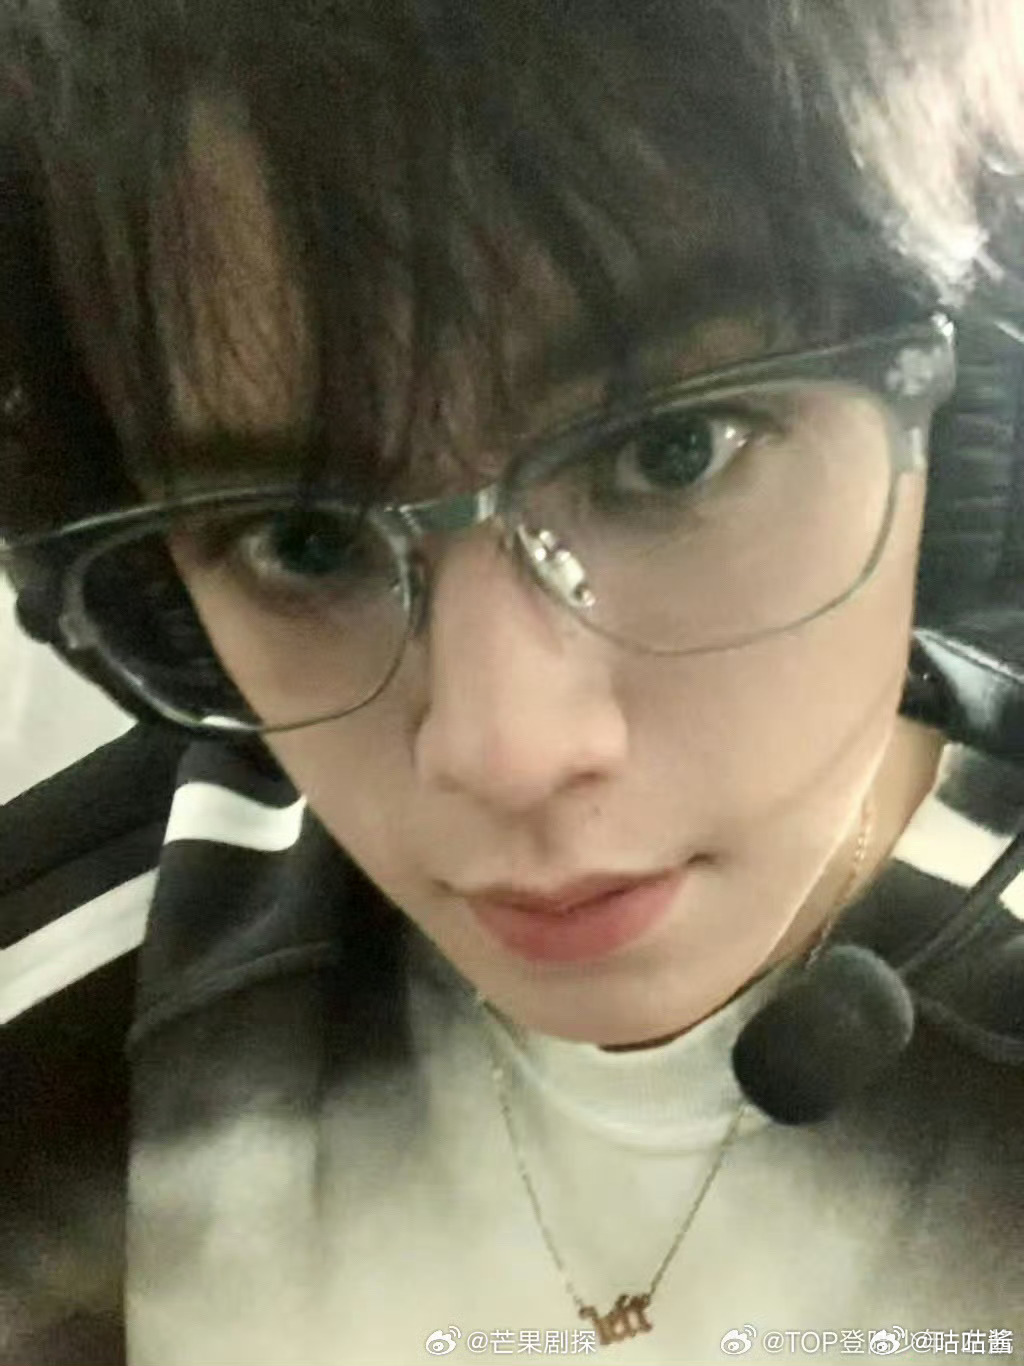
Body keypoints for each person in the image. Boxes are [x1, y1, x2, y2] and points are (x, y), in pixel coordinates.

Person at [0, 0, 1022, 1362]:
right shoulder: (61, 1017)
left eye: (672, 454)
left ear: (955, 411)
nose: (505, 750)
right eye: (301, 541)